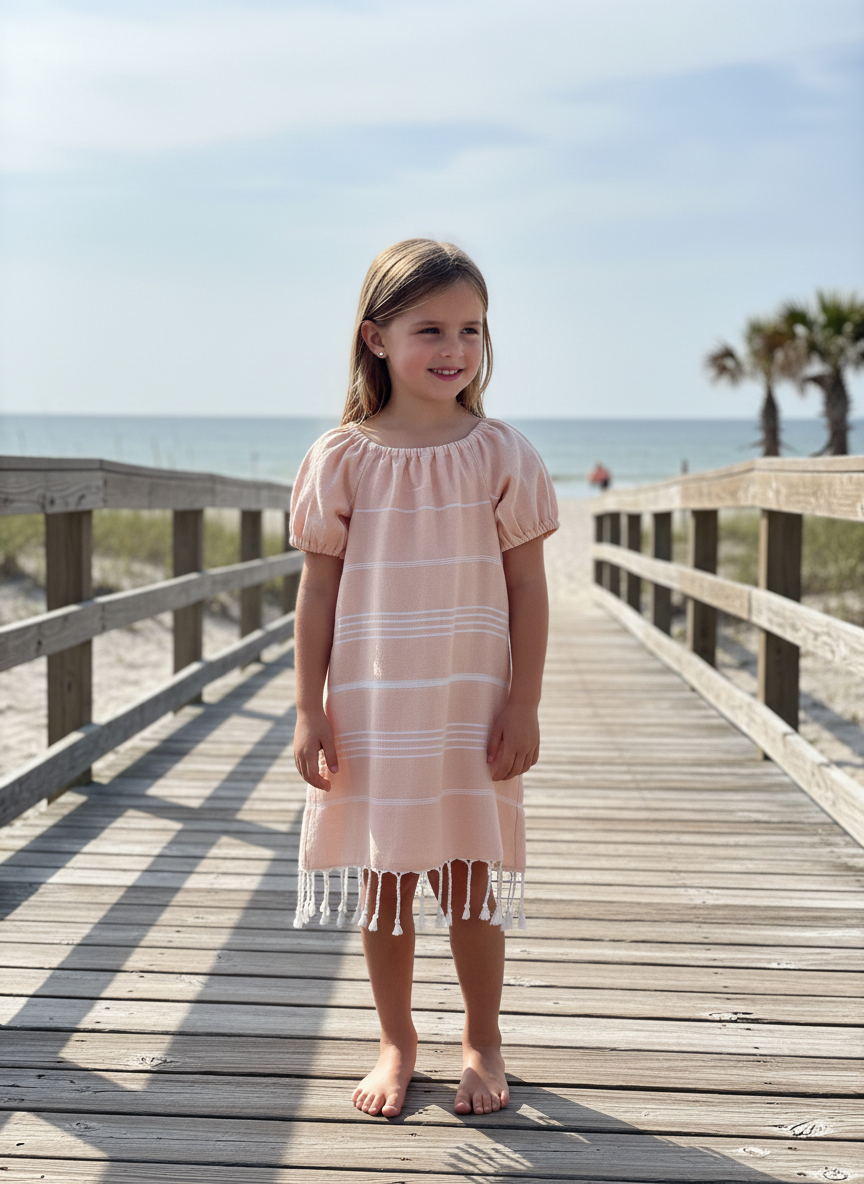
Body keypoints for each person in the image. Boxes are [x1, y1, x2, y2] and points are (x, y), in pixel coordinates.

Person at [290, 239, 558, 1121]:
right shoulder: (343, 457)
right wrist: (306, 711)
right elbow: (318, 591)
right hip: (373, 709)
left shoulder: (501, 453)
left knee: (472, 880)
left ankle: (484, 1038)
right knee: (388, 882)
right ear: (375, 337)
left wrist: (524, 701)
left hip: (470, 704)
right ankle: (397, 1040)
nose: (455, 348)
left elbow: (527, 586)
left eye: (472, 330)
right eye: (431, 328)